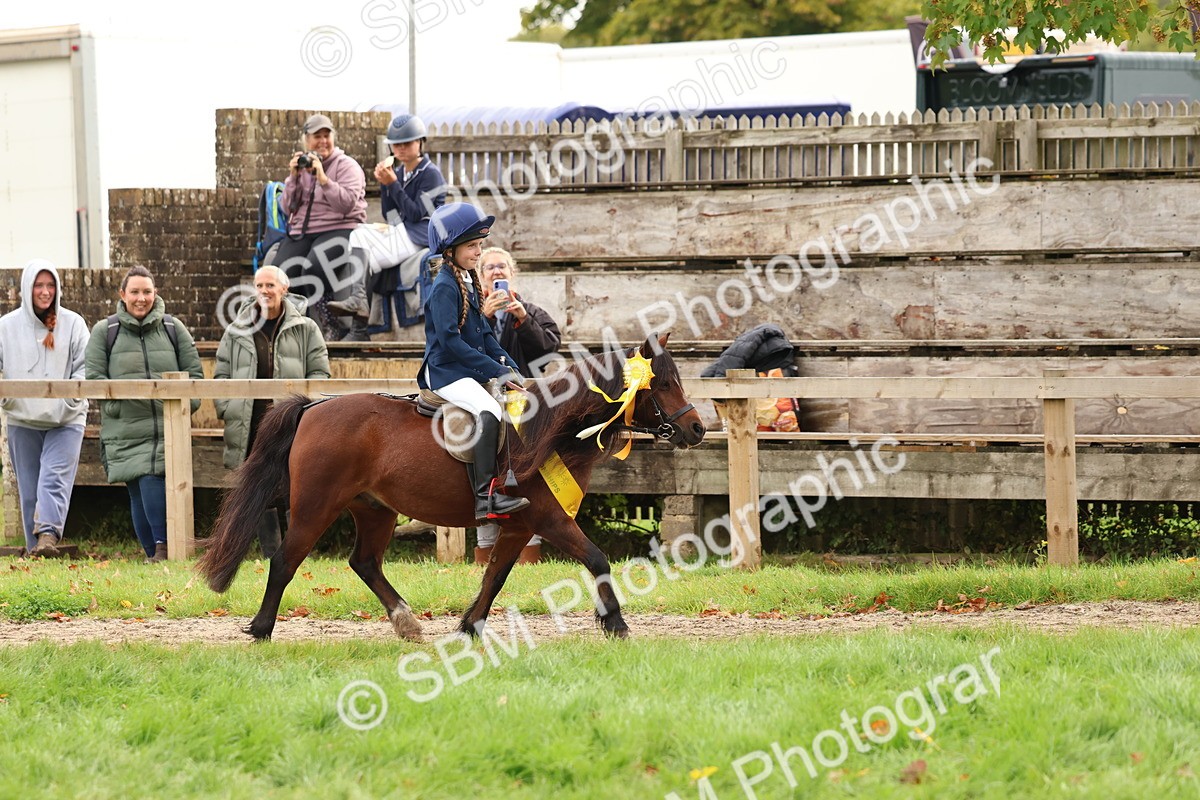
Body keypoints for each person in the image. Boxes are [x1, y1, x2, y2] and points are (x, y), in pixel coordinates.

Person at [419, 202, 529, 522]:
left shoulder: (469, 281)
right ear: (449, 250)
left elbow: (484, 335)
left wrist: (509, 365)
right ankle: (485, 497)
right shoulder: (444, 286)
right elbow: (451, 342)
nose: (478, 252)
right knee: (490, 409)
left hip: (464, 368)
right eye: (471, 246)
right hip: (445, 371)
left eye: (480, 245)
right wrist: (494, 370)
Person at [85, 266, 203, 562]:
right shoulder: (105, 331)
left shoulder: (173, 329)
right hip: (125, 428)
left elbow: (196, 377)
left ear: (156, 293)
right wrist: (117, 407)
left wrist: (187, 407)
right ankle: (154, 552)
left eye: (147, 291)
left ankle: (162, 549)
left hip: (168, 427)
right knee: (137, 488)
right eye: (135, 292)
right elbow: (94, 379)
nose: (141, 298)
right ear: (122, 295)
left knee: (151, 479)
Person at [213, 266, 330, 556]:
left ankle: (299, 549)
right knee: (258, 484)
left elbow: (320, 374)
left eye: (270, 285)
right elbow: (221, 375)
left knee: (298, 483)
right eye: (259, 285)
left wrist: (309, 413)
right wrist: (228, 409)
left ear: (284, 289)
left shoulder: (306, 328)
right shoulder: (236, 329)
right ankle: (270, 552)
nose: (264, 291)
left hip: (293, 421)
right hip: (249, 420)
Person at [474, 246, 563, 564]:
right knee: (483, 463)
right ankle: (485, 546)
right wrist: (482, 315)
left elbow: (548, 353)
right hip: (482, 397)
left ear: (512, 274)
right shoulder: (470, 310)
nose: (496, 272)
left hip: (525, 401)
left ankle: (530, 547)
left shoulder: (532, 312)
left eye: (502, 267)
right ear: (480, 277)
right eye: (489, 268)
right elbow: (456, 344)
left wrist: (521, 319)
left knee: (528, 471)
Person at [329, 113, 447, 341]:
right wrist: (386, 186)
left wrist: (391, 184)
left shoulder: (431, 174)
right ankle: (360, 311)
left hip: (423, 234)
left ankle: (359, 328)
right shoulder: (400, 171)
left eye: (407, 143)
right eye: (396, 144)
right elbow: (391, 215)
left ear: (420, 142)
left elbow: (414, 214)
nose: (401, 148)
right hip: (402, 231)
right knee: (359, 236)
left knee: (367, 262)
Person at [0, 260, 89, 557]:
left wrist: (70, 400)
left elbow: (85, 368)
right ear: (27, 288)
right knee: (29, 490)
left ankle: (48, 535)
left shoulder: (74, 323)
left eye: (50, 285)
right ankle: (35, 552)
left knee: (53, 478)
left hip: (66, 418)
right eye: (39, 285)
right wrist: (7, 398)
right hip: (22, 417)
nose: (45, 291)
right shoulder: (6, 326)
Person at [269, 113, 367, 341]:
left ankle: (331, 325)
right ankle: (297, 327)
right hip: (304, 231)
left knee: (314, 267)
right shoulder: (303, 167)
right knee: (281, 274)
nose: (323, 141)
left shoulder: (347, 166)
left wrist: (323, 179)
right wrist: (293, 178)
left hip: (342, 227)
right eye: (317, 137)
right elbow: (287, 207)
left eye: (327, 135)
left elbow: (346, 204)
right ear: (306, 140)